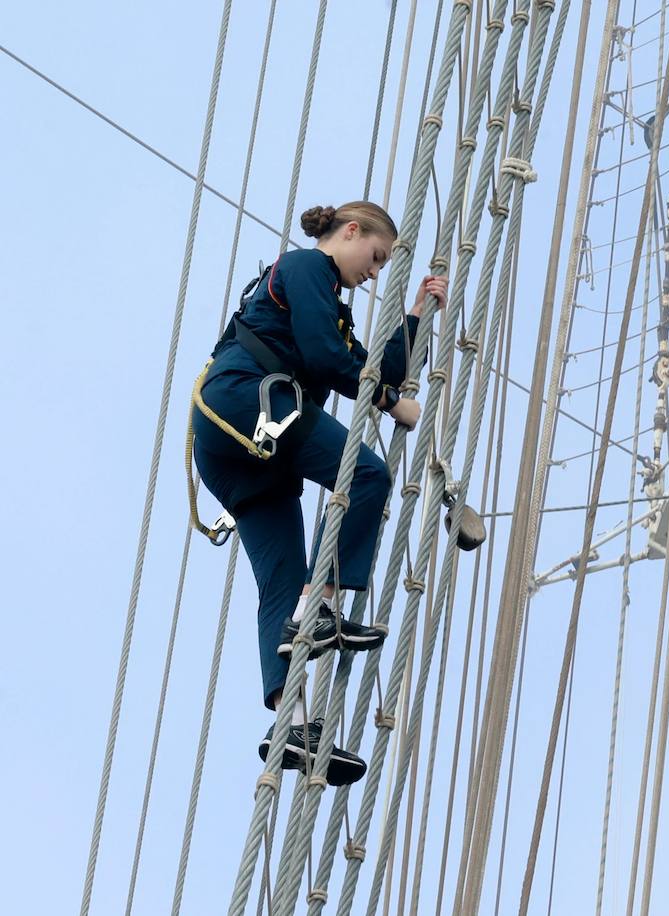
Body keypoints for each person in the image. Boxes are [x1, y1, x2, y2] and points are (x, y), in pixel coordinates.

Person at [192, 202, 448, 785]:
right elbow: (325, 358)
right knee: (367, 476)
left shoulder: (331, 307)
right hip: (247, 399)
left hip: (244, 448)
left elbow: (369, 365)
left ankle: (291, 724)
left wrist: (416, 319)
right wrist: (388, 402)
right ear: (351, 232)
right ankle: (325, 604)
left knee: (281, 580)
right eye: (376, 257)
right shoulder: (307, 268)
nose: (375, 271)